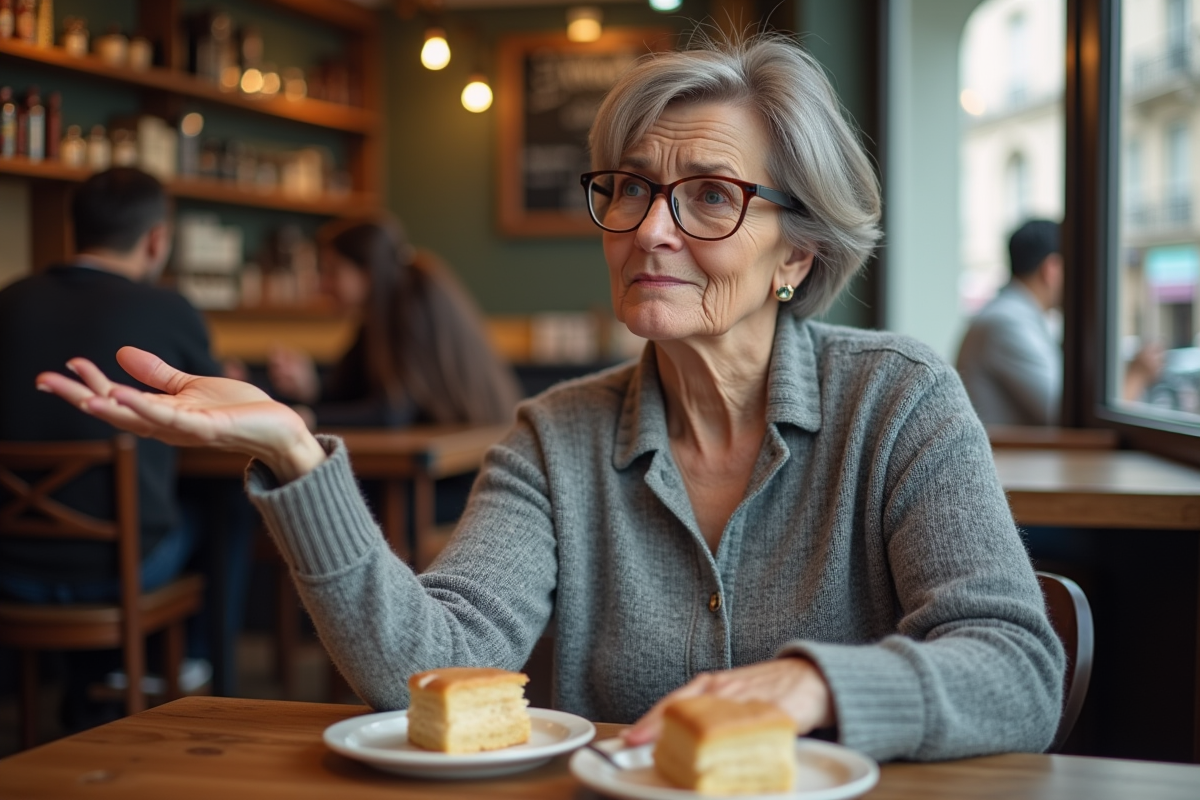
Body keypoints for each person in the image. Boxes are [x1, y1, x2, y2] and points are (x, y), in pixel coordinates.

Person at [37, 35, 1064, 762]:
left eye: (708, 194)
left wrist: (819, 684)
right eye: (626, 187)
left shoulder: (898, 399)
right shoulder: (553, 435)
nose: (649, 227)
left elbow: (1017, 667)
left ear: (797, 250)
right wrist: (295, 454)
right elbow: (426, 674)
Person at [0, 167, 250, 725]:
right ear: (157, 239)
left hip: (9, 566)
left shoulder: (9, 300)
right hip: (120, 570)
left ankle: (96, 679)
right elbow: (221, 410)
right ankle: (205, 670)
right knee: (226, 505)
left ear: (73, 229)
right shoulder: (168, 309)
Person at [267, 219, 521, 428]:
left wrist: (309, 417)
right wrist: (312, 388)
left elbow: (392, 412)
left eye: (333, 270)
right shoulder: (374, 323)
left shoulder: (411, 308)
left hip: (461, 470)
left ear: (366, 272)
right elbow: (352, 396)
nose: (322, 284)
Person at [955, 219, 1064, 425]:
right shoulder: (1007, 323)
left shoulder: (1010, 314)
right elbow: (1063, 415)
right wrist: (1136, 375)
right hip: (1006, 456)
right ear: (1052, 269)